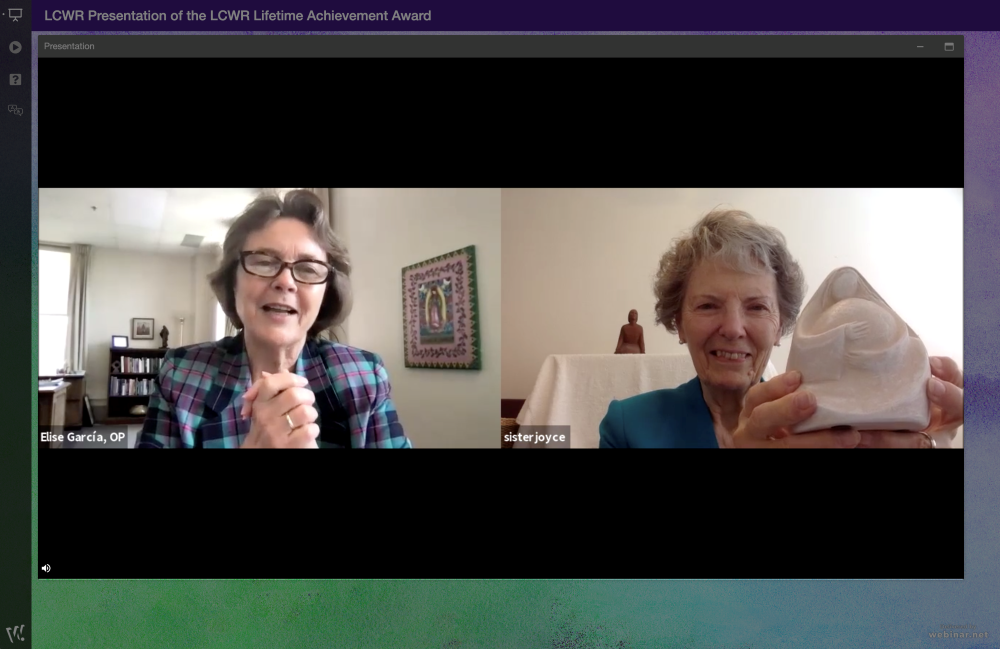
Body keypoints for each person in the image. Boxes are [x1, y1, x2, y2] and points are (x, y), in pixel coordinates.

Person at [598, 209, 963, 449]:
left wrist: (940, 440)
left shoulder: (835, 425)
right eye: (708, 305)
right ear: (678, 323)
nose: (733, 328)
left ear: (781, 325)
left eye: (756, 307)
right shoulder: (628, 426)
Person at [136, 189, 412, 448]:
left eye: (308, 268)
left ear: (326, 292)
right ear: (233, 282)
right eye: (264, 262)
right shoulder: (181, 374)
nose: (285, 282)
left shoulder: (365, 376)